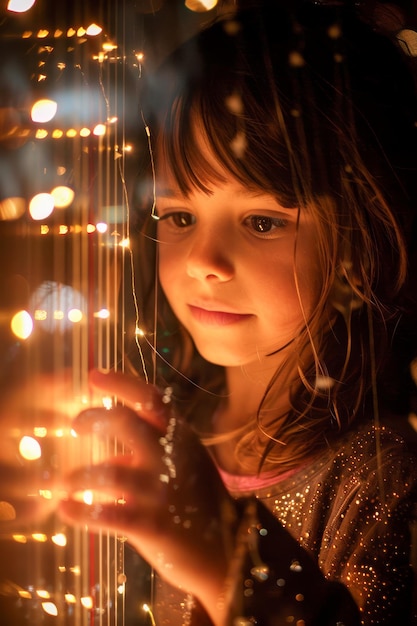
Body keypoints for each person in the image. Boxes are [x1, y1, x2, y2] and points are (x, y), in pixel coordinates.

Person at [3, 1, 417, 625]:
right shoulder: (165, 431)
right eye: (179, 217)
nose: (204, 261)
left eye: (262, 221)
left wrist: (228, 557)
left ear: (362, 241)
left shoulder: (380, 482)